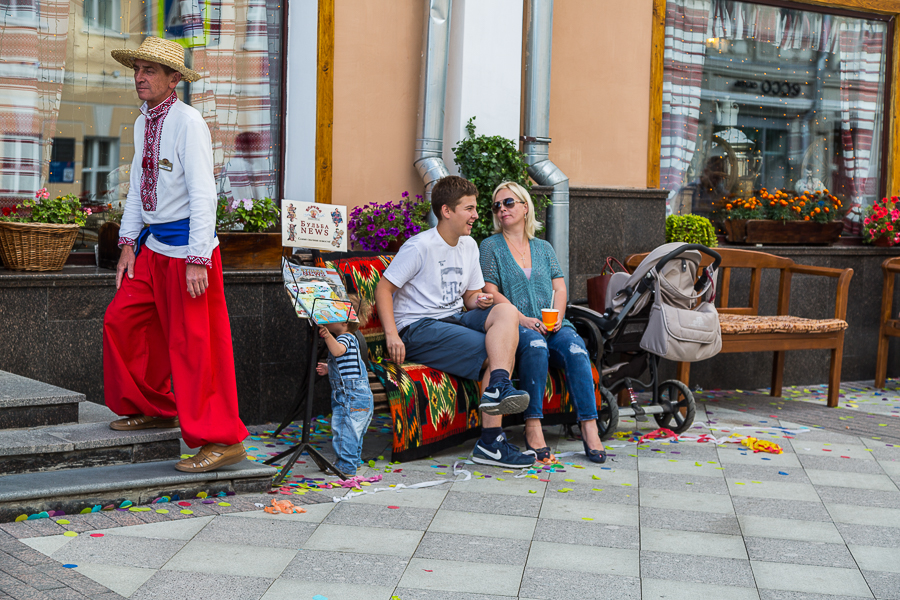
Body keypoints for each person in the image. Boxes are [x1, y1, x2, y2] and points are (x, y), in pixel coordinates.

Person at [103, 37, 249, 472]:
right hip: (152, 249)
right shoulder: (142, 121)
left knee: (196, 348)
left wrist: (198, 258)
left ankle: (222, 440)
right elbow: (138, 188)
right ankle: (154, 404)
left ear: (173, 80)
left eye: (150, 70)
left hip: (188, 251)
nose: (140, 76)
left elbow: (204, 195)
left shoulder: (188, 123)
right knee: (122, 320)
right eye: (137, 69)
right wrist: (128, 244)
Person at [374, 175, 534, 468]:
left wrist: (480, 301)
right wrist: (392, 335)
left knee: (505, 312)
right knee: (494, 352)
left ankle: (498, 385)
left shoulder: (468, 245)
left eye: (475, 208)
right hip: (418, 327)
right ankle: (491, 442)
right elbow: (384, 288)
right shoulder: (420, 246)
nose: (476, 215)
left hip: (454, 318)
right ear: (446, 211)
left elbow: (471, 294)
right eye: (469, 209)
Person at [480, 182, 607, 464]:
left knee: (576, 349)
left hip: (553, 324)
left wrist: (558, 316)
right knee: (536, 345)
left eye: (509, 203)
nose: (502, 209)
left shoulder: (544, 247)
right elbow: (490, 290)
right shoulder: (490, 246)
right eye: (497, 206)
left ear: (525, 207)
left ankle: (589, 425)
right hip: (519, 326)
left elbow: (560, 288)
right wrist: (522, 318)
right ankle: (533, 425)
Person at [315, 296, 374, 476]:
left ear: (345, 321)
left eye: (332, 315)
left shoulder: (345, 338)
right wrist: (329, 367)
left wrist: (326, 336)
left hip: (350, 396)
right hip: (360, 395)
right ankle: (354, 461)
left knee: (344, 430)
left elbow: (338, 351)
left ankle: (345, 466)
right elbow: (343, 361)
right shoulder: (350, 339)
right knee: (354, 432)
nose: (328, 318)